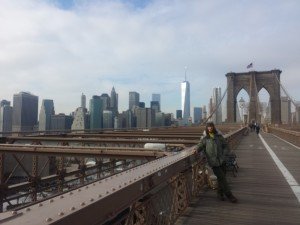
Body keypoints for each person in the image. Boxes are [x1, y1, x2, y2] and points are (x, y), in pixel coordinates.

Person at [195, 122, 238, 203]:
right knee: (222, 178)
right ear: (207, 129)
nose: (210, 128)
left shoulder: (219, 137)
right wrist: (196, 150)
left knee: (221, 179)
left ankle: (220, 193)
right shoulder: (205, 139)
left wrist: (224, 155)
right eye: (208, 127)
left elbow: (226, 146)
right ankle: (230, 195)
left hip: (222, 161)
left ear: (213, 128)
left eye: (211, 127)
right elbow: (200, 145)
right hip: (213, 162)